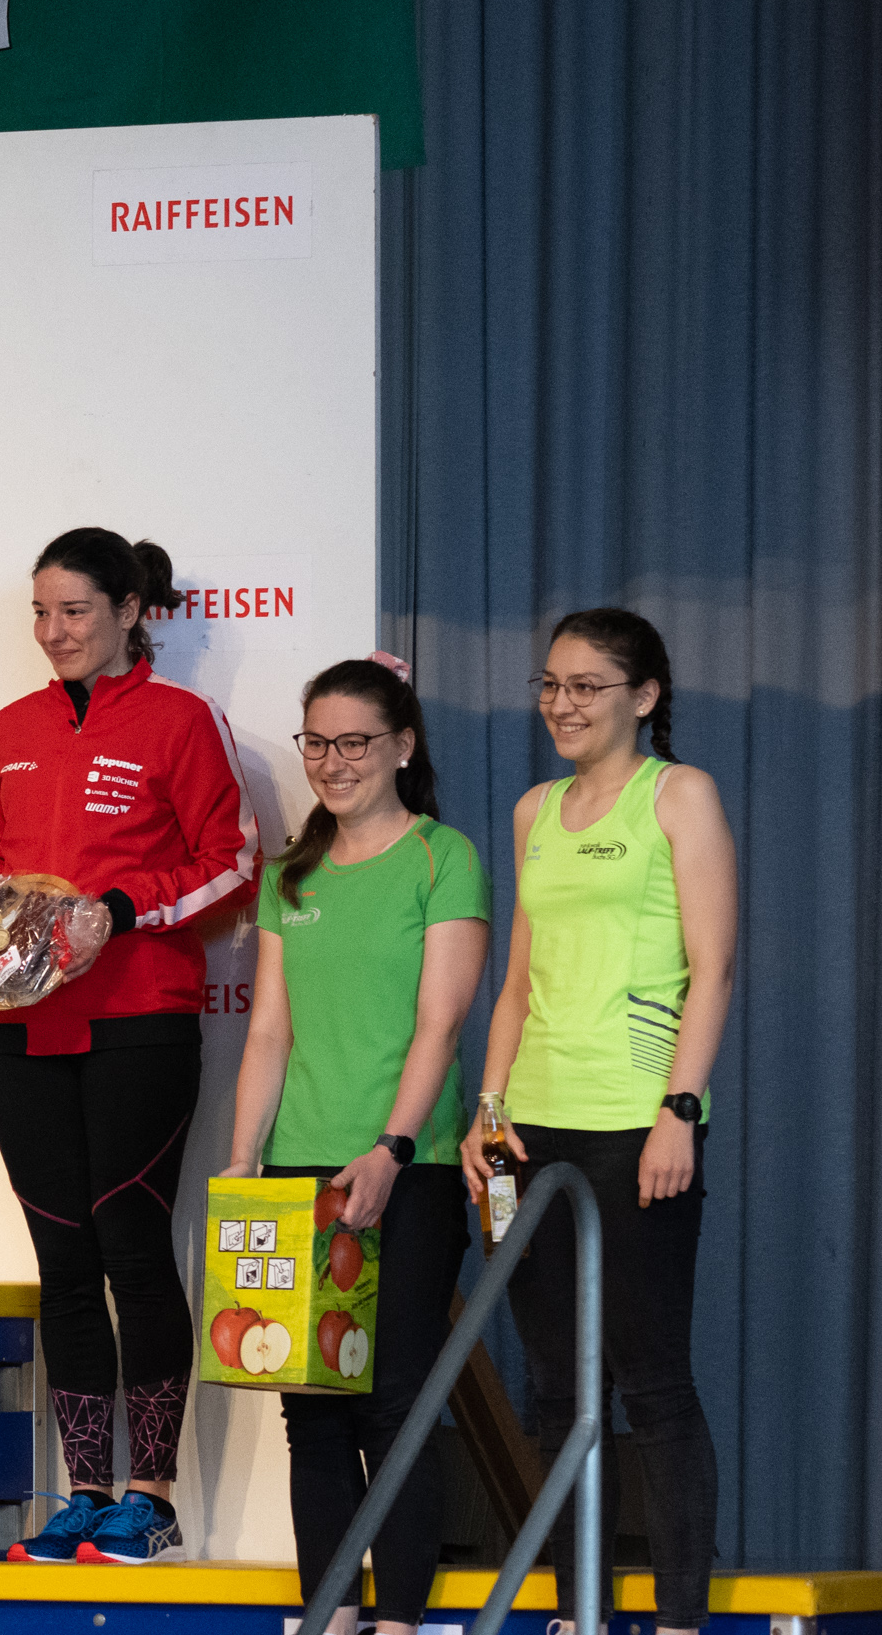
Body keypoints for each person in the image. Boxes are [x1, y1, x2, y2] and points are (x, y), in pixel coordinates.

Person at [0, 528, 259, 1564]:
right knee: (62, 1262)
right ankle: (86, 1492)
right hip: (20, 1025)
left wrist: (124, 910)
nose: (54, 632)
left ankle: (153, 1494)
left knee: (132, 1250)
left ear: (130, 611)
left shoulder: (180, 719)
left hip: (141, 1018)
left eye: (75, 611)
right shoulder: (13, 725)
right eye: (41, 613)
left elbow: (232, 861)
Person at [470, 610, 734, 1634]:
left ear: (644, 695)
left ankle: (677, 1619)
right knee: (553, 1387)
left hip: (633, 1120)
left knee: (651, 1382)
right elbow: (517, 981)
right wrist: (488, 1110)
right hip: (527, 1130)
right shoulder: (534, 809)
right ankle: (580, 1611)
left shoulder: (679, 795)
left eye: (585, 685)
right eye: (550, 683)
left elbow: (712, 966)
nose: (561, 703)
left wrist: (679, 1109)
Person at [221, 655, 488, 1633]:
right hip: (301, 1168)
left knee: (393, 1400)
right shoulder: (291, 876)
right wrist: (243, 1162)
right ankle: (329, 1614)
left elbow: (439, 1025)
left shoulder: (442, 858)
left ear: (401, 746)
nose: (332, 762)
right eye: (317, 742)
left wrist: (390, 1148)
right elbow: (267, 1032)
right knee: (313, 1408)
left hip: (406, 1167)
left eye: (355, 742)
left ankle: (399, 1619)